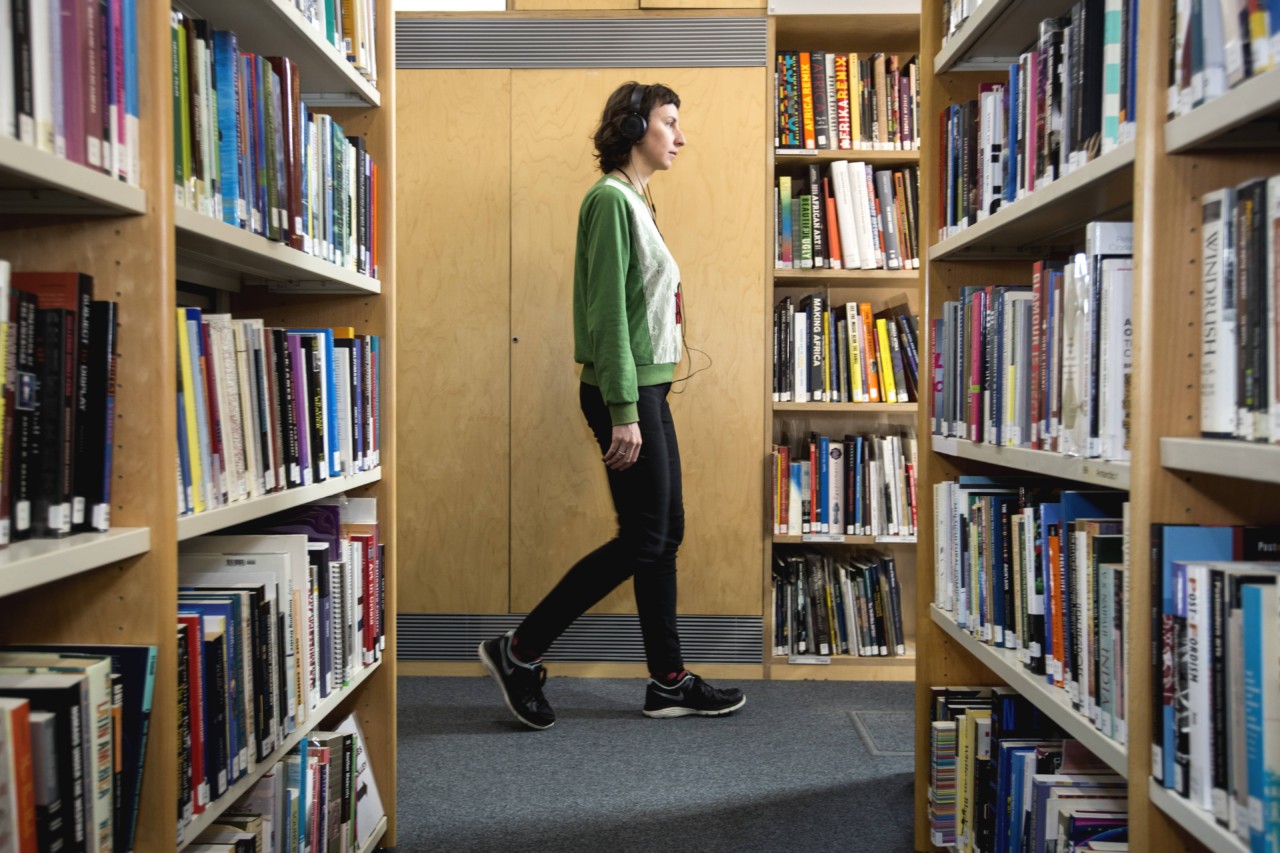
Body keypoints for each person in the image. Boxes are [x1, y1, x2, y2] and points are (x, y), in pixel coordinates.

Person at [478, 81, 746, 730]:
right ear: (634, 126)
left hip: (645, 389)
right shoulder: (608, 201)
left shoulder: (637, 199)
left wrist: (644, 392)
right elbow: (606, 317)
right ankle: (518, 651)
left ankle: (668, 680)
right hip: (622, 395)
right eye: (669, 123)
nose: (680, 138)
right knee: (646, 535)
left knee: (664, 532)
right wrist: (626, 407)